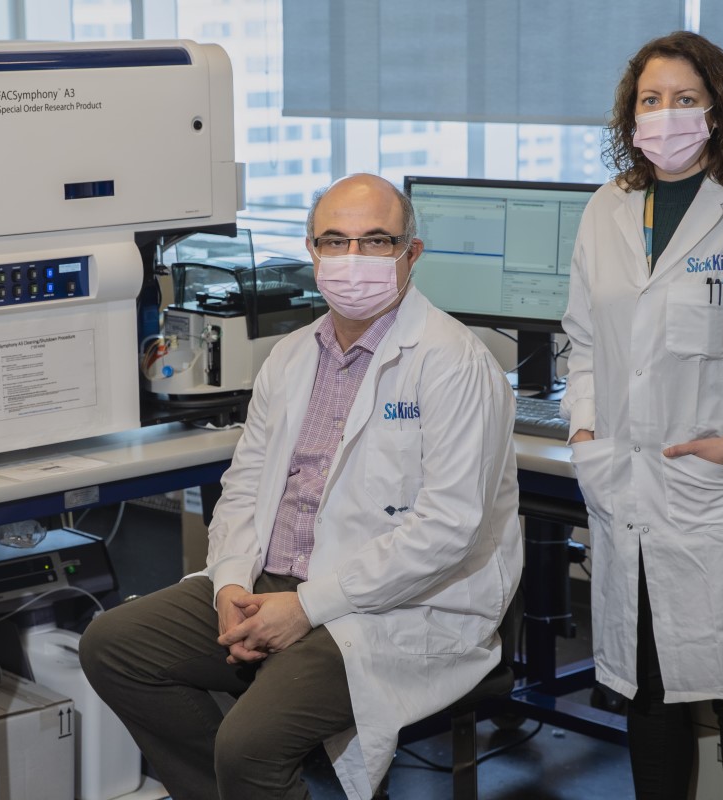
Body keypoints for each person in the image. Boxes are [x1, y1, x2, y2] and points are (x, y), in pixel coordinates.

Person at [80, 174, 522, 800]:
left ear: (411, 254)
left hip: (388, 606)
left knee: (248, 745)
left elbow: (448, 530)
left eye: (376, 241)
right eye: (334, 241)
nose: (353, 260)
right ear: (311, 252)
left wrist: (308, 607)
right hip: (270, 583)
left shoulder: (453, 363)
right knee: (115, 647)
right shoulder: (291, 357)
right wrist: (231, 582)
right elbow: (245, 485)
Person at [561, 31, 723, 800]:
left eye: (684, 99)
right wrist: (584, 430)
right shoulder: (606, 209)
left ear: (717, 109)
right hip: (625, 484)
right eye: (651, 100)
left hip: (713, 493)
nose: (665, 114)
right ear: (630, 114)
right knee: (648, 689)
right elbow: (583, 339)